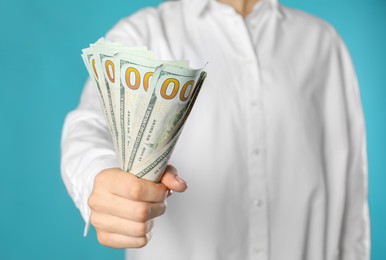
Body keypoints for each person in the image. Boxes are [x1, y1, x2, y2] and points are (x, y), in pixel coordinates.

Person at [61, 0, 370, 259]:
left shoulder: (323, 43)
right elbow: (89, 125)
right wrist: (97, 179)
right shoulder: (142, 34)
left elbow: (351, 191)